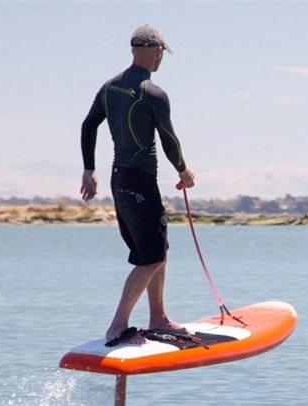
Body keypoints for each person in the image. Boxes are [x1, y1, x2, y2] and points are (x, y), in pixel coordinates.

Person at [80, 25, 196, 346]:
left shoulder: (110, 87)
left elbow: (89, 124)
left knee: (156, 249)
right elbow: (169, 139)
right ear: (156, 49)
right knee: (150, 257)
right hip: (141, 181)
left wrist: (89, 169)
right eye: (162, 53)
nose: (162, 58)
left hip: (120, 179)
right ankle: (118, 326)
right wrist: (184, 171)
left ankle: (158, 317)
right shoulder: (153, 93)